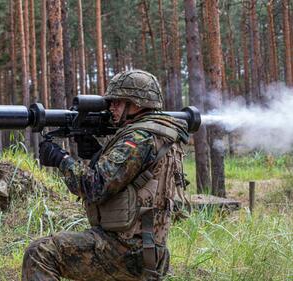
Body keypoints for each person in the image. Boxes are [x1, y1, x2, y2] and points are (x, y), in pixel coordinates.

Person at [22, 70, 190, 281]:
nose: (111, 108)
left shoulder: (138, 138)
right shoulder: (159, 132)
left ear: (136, 104)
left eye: (117, 102)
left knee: (40, 253)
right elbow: (132, 178)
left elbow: (95, 187)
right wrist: (96, 154)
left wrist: (61, 159)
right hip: (148, 250)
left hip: (126, 252)